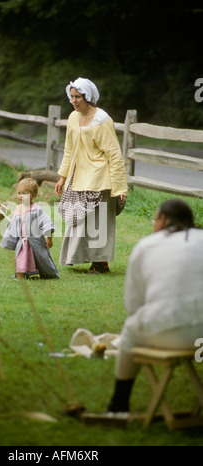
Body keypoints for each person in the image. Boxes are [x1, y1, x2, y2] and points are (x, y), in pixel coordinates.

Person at [106, 199, 203, 413]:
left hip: (166, 332)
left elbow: (133, 305)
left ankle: (119, 404)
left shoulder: (146, 245)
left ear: (162, 219)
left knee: (131, 328)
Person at [55, 77, 128, 274]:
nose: (74, 101)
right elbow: (69, 149)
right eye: (72, 97)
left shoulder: (102, 121)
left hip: (99, 177)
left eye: (78, 97)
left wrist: (120, 187)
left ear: (88, 97)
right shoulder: (72, 118)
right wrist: (62, 176)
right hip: (78, 176)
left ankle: (101, 264)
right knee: (78, 220)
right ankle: (78, 257)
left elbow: (114, 154)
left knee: (99, 222)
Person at [0, 177, 59, 280]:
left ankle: (48, 274)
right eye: (19, 193)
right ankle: (20, 277)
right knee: (20, 259)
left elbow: (46, 222)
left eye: (24, 194)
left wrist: (49, 238)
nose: (21, 196)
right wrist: (9, 240)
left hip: (35, 242)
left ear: (34, 195)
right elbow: (13, 226)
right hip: (22, 242)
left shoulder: (37, 210)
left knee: (40, 259)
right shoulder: (18, 209)